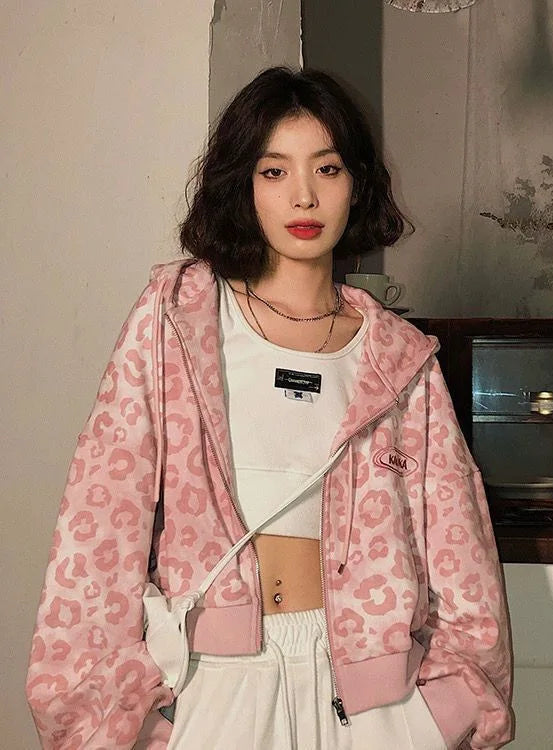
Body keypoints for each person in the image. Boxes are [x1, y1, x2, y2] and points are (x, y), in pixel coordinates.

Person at [26, 67, 512, 749]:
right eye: (274, 171)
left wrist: (452, 708)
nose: (303, 195)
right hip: (216, 688)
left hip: (374, 704)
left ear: (357, 184)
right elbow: (100, 520)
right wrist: (104, 721)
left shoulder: (401, 360)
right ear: (244, 185)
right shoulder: (178, 317)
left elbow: (462, 554)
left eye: (328, 168)